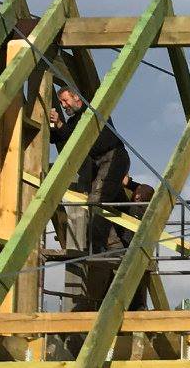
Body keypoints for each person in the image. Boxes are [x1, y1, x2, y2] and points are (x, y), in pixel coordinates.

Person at [48, 84, 130, 264]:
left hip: (113, 157)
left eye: (65, 100)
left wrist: (60, 125)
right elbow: (61, 137)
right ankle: (122, 244)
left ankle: (103, 247)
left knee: (96, 201)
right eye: (61, 102)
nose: (63, 105)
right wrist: (53, 125)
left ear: (76, 97)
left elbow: (78, 137)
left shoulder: (91, 112)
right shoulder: (74, 121)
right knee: (112, 203)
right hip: (102, 163)